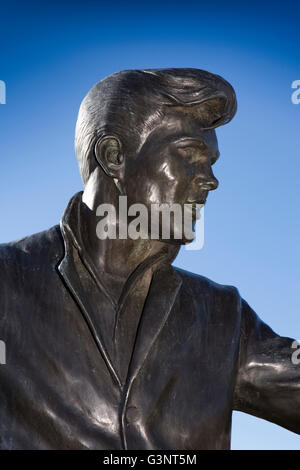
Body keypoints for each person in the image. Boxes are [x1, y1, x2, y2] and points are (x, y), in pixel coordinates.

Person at [0, 68, 299, 450]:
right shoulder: (8, 280)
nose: (210, 180)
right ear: (114, 157)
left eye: (211, 162)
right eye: (189, 154)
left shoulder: (222, 316)